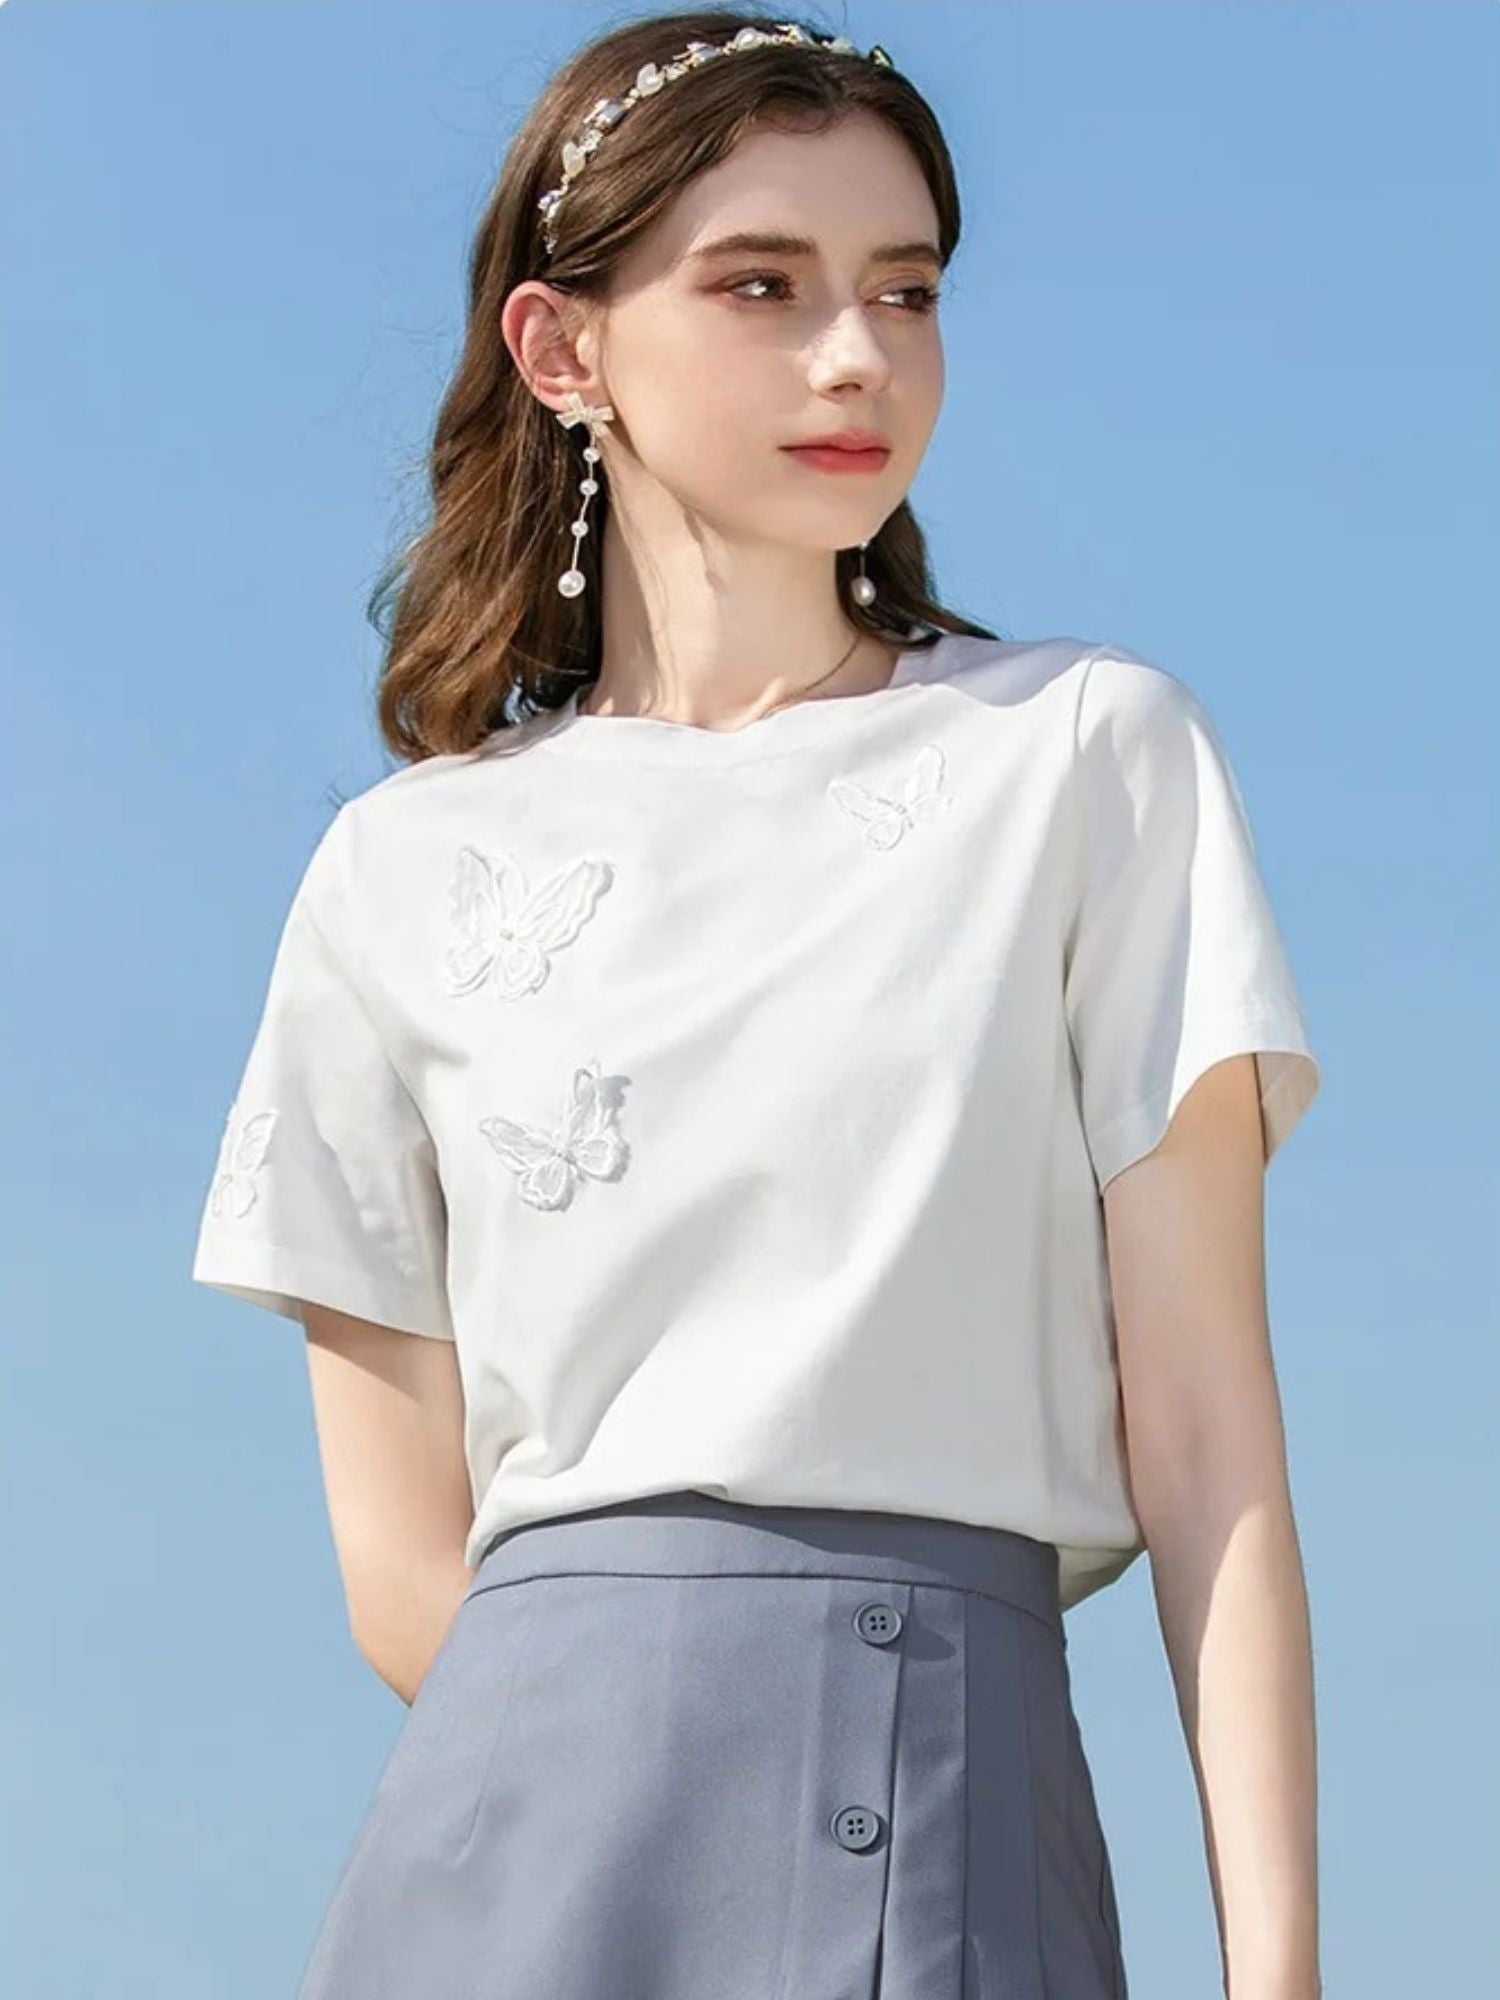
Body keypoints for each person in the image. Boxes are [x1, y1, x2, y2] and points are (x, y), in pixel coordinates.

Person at [190, 11, 1324, 1998]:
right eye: (762, 287)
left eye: (905, 291)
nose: (857, 358)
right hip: (506, 1860)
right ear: (565, 353)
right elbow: (401, 1558)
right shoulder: (395, 875)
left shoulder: (1083, 758)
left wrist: (1279, 1968)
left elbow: (1215, 1436)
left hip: (940, 1788)